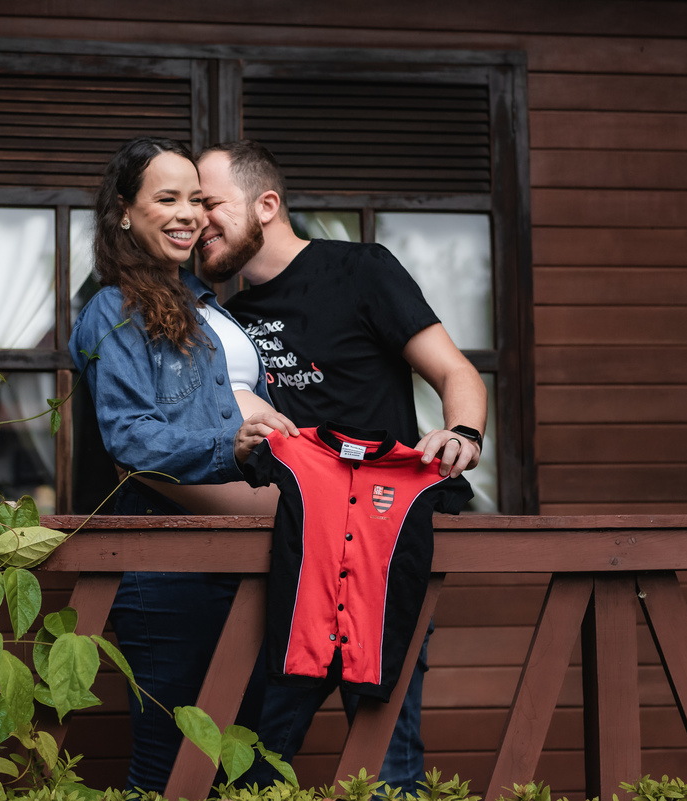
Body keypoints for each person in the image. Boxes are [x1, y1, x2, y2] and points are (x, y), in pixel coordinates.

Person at [195, 140, 488, 792]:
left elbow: (455, 370)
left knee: (390, 765)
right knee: (249, 768)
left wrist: (463, 432)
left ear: (266, 204)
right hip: (281, 564)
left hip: (379, 558)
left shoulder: (361, 270)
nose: (197, 220)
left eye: (209, 201)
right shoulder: (227, 319)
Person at [67, 136, 296, 792]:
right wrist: (235, 449)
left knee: (243, 757)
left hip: (244, 556)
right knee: (169, 764)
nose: (188, 213)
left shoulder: (203, 302)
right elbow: (134, 444)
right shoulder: (113, 310)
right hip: (168, 568)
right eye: (166, 198)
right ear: (122, 213)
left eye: (196, 199)